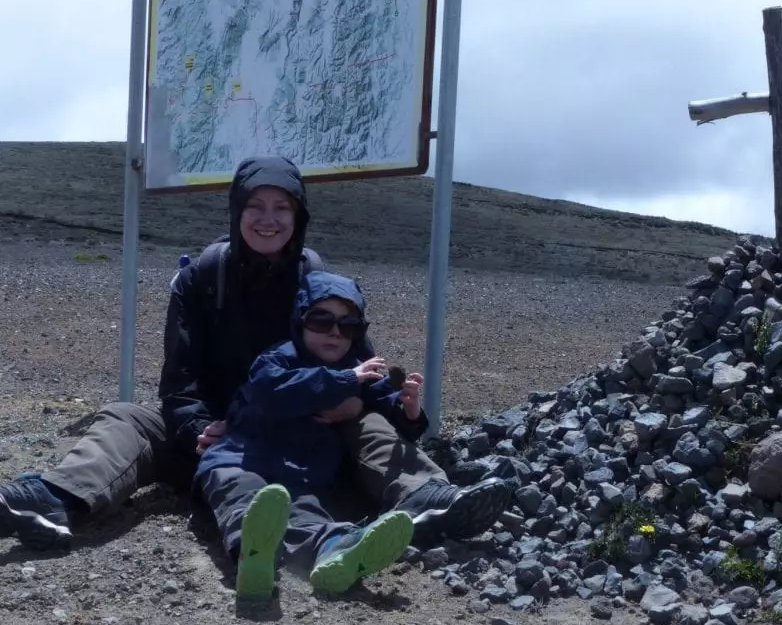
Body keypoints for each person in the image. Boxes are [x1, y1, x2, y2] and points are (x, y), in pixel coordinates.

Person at [0, 155, 512, 551]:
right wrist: (197, 427)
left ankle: (425, 500)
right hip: (219, 436)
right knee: (128, 418)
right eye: (256, 207)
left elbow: (364, 372)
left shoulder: (319, 283)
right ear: (236, 211)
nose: (268, 220)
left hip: (297, 429)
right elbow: (178, 381)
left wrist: (360, 403)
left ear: (299, 215)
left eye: (282, 208)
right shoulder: (202, 278)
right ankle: (54, 498)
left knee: (365, 420)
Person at [201, 270, 419, 600]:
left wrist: (410, 411)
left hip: (301, 474)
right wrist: (347, 379)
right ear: (300, 321)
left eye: (348, 326)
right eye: (321, 321)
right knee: (243, 495)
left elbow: (388, 409)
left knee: (307, 514)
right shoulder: (280, 357)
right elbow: (270, 391)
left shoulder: (359, 370)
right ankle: (254, 556)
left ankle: (337, 549)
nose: (334, 333)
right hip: (241, 458)